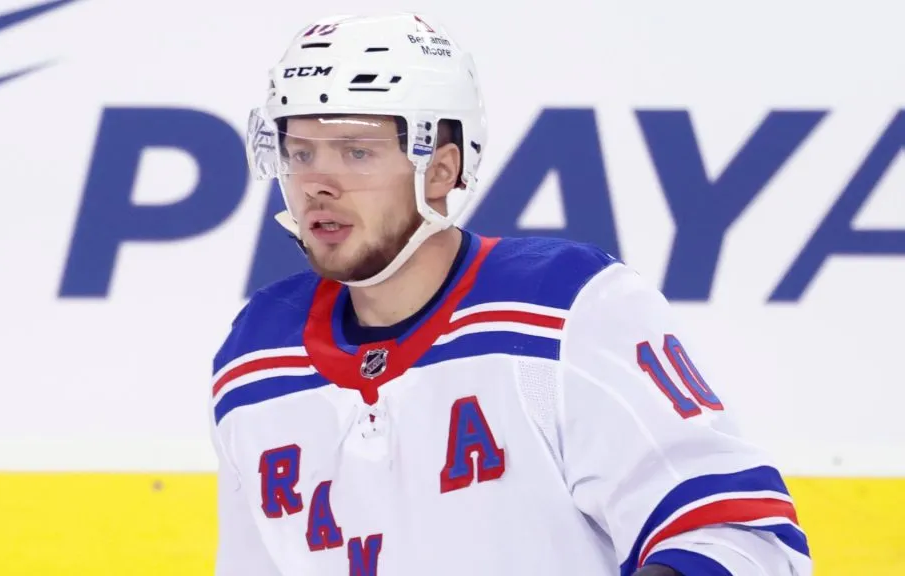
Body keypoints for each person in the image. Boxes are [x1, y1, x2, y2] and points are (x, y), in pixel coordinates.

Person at [209, 12, 812, 576]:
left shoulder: (562, 308)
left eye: (357, 152)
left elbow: (739, 538)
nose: (317, 184)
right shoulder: (255, 357)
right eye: (300, 152)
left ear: (441, 170)